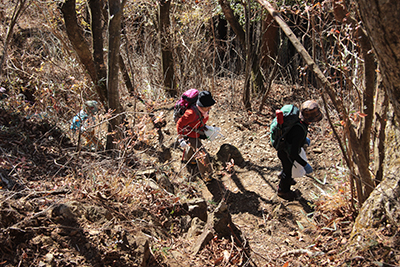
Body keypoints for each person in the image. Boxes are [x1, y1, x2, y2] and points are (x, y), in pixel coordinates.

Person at [277, 100, 323, 200]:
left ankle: (284, 176)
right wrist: (304, 164)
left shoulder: (298, 121)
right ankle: (283, 191)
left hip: (285, 147)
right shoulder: (299, 130)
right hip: (285, 152)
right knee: (287, 172)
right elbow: (293, 153)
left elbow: (293, 137)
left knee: (287, 167)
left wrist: (303, 140)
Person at [176, 91, 216, 183]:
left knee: (193, 146)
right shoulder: (191, 113)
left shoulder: (203, 111)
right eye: (208, 106)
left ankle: (190, 160)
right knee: (202, 154)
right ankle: (207, 176)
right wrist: (181, 139)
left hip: (196, 132)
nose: (210, 108)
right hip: (189, 133)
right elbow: (179, 124)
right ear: (202, 105)